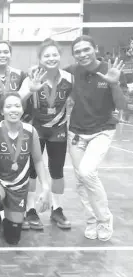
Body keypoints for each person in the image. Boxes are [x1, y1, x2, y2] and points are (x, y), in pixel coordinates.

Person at [65, 35, 127, 241]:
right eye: (78, 51)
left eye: (86, 49)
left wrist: (114, 84)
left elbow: (121, 106)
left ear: (95, 49)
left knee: (87, 172)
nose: (82, 54)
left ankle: (104, 219)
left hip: (102, 131)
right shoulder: (72, 71)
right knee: (81, 181)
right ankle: (91, 221)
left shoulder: (111, 69)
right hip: (76, 133)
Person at [0, 92, 50, 263]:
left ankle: (3, 213)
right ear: (2, 110)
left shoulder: (30, 131)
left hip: (18, 187)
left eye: (17, 106)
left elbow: (39, 161)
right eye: (9, 106)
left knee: (13, 239)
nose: (14, 109)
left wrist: (46, 188)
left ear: (22, 108)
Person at [18, 38, 73, 230]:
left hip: (58, 131)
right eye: (46, 55)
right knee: (32, 171)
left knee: (57, 171)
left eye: (54, 54)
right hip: (36, 130)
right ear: (40, 59)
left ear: (60, 56)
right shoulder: (31, 76)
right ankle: (31, 209)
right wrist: (28, 90)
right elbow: (17, 102)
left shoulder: (68, 78)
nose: (51, 58)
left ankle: (57, 208)